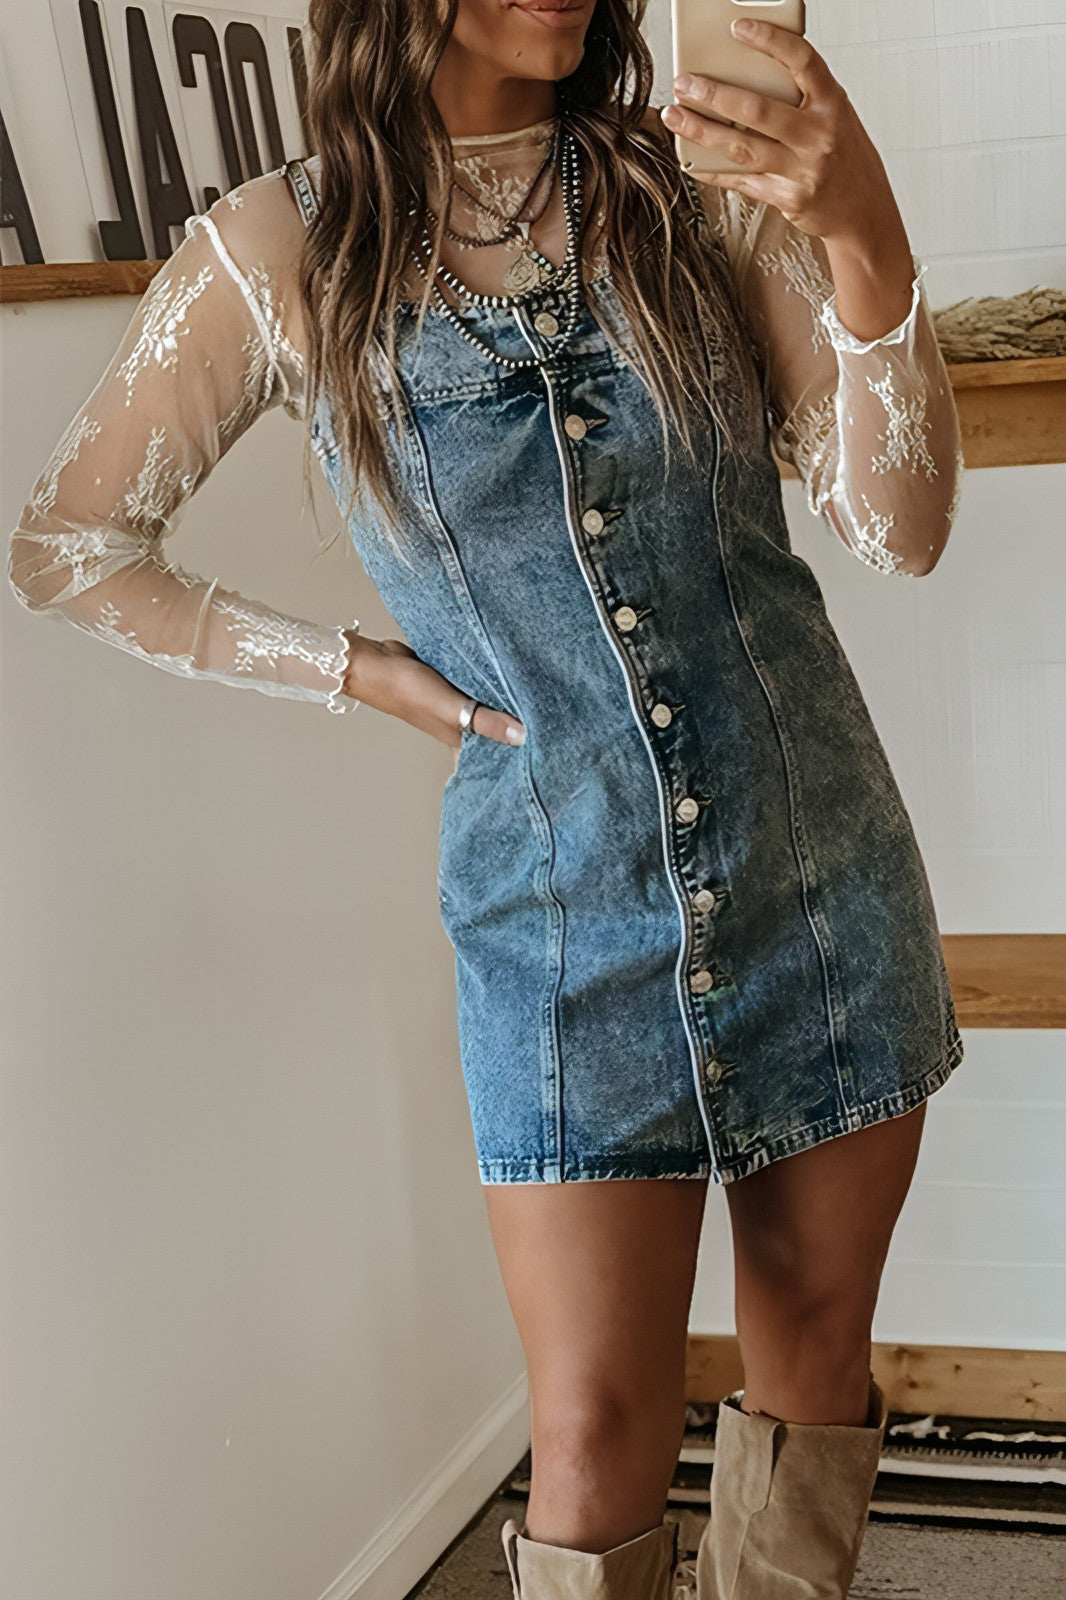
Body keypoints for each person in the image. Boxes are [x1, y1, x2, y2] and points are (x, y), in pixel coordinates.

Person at [8, 3, 966, 1597]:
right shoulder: (278, 249)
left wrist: (864, 234)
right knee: (590, 1434)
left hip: (816, 871)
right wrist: (360, 674)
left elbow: (897, 529)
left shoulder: (691, 193)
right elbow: (70, 547)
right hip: (553, 919)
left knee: (811, 1356)